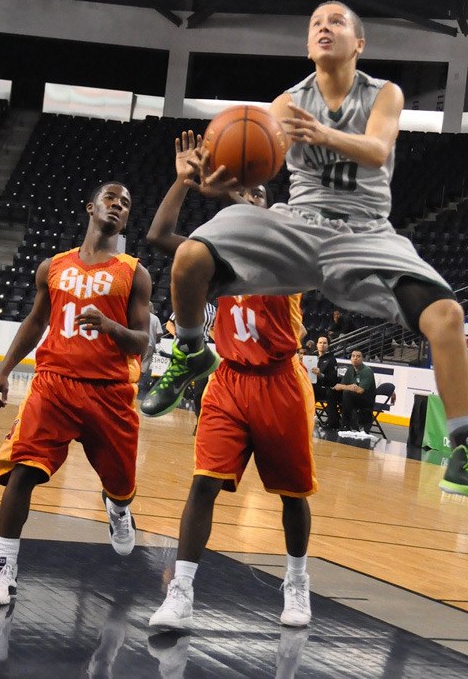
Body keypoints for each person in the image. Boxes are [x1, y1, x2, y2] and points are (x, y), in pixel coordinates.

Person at [142, 1, 468, 507]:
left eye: (336, 21)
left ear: (358, 43)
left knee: (447, 316)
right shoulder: (284, 103)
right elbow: (248, 168)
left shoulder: (383, 94)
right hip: (298, 223)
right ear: (308, 44)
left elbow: (378, 150)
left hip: (365, 232)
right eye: (315, 24)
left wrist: (321, 133)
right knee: (191, 256)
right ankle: (191, 349)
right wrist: (205, 178)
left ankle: (462, 452)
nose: (324, 27)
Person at [144, 131, 316, 630]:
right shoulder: (212, 256)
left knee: (292, 494)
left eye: (255, 193)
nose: (248, 200)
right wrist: (182, 182)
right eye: (242, 194)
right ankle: (180, 592)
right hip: (229, 380)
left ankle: (297, 582)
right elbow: (158, 238)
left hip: (281, 381)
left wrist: (230, 190)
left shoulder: (287, 249)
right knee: (202, 485)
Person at [0, 182, 152, 605]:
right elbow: (36, 323)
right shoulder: (52, 266)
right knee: (22, 471)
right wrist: (2, 372)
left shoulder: (134, 272)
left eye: (125, 204)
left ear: (126, 220)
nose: (117, 206)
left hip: (109, 392)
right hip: (54, 384)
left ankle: (117, 507)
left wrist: (109, 327)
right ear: (91, 207)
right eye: (111, 198)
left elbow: (141, 341)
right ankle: (4, 568)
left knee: (121, 485)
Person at [331, 349, 376, 431]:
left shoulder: (367, 371)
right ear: (350, 358)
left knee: (347, 393)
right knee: (332, 393)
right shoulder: (350, 370)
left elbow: (360, 390)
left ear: (362, 359)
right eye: (353, 356)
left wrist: (346, 387)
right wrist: (350, 387)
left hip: (366, 400)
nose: (355, 358)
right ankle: (333, 422)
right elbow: (341, 385)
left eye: (358, 356)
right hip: (353, 397)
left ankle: (346, 425)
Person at [311, 334, 340, 427]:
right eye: (320, 343)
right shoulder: (312, 358)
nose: (322, 345)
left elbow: (333, 380)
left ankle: (332, 421)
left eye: (324, 343)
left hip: (326, 388)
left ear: (328, 345)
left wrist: (321, 375)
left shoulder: (332, 360)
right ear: (317, 344)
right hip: (314, 387)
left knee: (329, 393)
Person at [138, 301, 163, 399]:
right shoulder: (155, 318)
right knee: (144, 366)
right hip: (149, 345)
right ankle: (137, 383)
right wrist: (156, 340)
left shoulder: (138, 315)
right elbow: (159, 333)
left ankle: (132, 382)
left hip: (138, 342)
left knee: (135, 363)